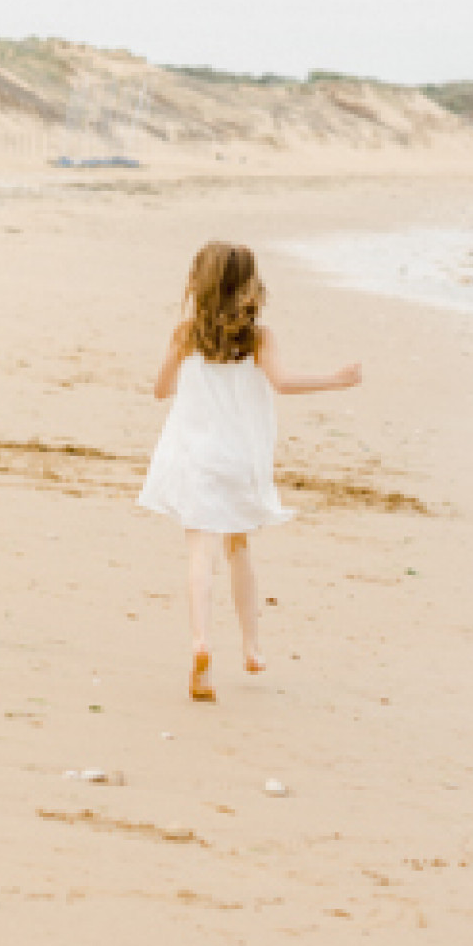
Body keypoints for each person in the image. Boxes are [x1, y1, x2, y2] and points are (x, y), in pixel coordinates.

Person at [138, 240, 361, 702]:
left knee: (200, 553)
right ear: (249, 287)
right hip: (237, 459)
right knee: (239, 548)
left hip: (193, 456)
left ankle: (201, 643)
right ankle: (252, 646)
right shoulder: (260, 338)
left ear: (198, 284)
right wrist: (337, 379)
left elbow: (160, 390)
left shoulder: (185, 334)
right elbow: (283, 383)